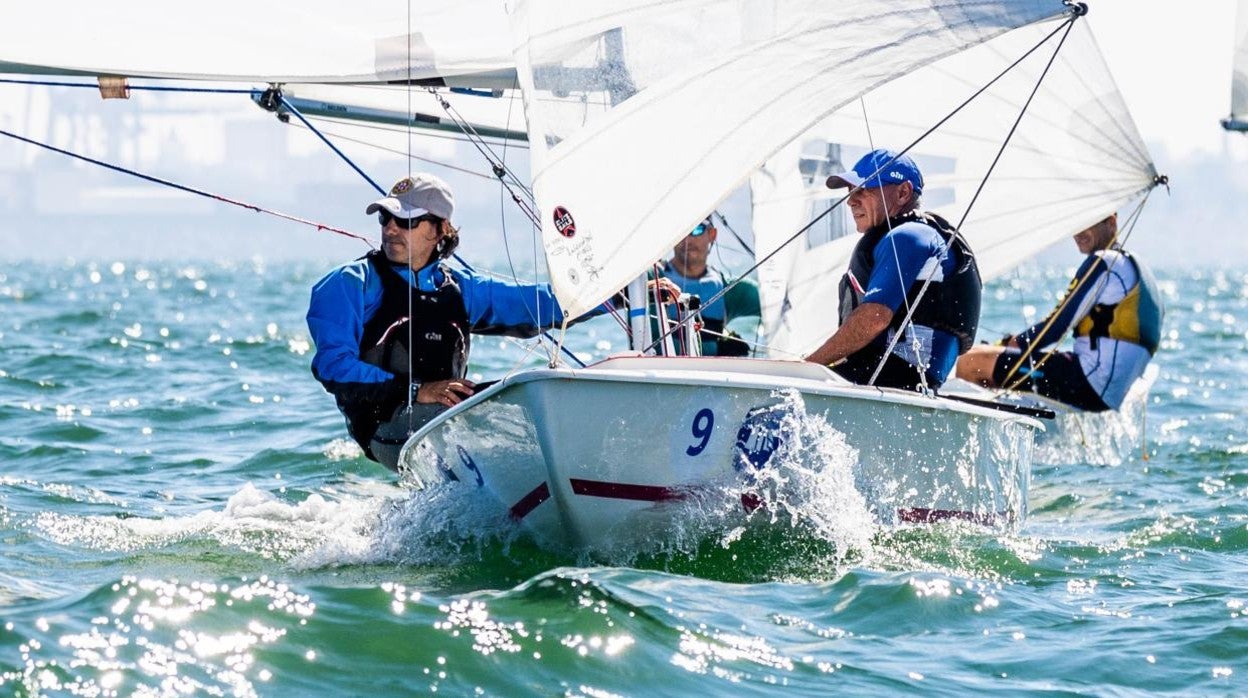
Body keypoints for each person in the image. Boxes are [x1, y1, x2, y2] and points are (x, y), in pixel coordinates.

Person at [307, 173, 645, 470]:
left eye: (406, 221)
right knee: (506, 423)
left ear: (440, 229)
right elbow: (333, 365)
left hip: (448, 418)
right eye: (385, 218)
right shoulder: (349, 283)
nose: (391, 228)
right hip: (386, 426)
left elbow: (535, 303)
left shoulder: (460, 288)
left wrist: (620, 295)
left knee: (548, 401)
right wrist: (415, 392)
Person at [802, 148, 981, 391]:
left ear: (903, 192)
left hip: (895, 378)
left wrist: (808, 365)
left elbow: (875, 318)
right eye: (850, 191)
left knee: (787, 388)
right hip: (901, 380)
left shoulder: (908, 237)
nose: (851, 200)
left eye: (863, 189)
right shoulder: (916, 235)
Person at [955, 214, 1162, 411]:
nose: (1078, 233)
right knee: (995, 359)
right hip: (1111, 388)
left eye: (1087, 223)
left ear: (1112, 222)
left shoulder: (1104, 262)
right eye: (1076, 224)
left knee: (971, 361)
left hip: (1087, 383)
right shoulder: (1136, 266)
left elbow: (1057, 327)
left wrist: (1012, 344)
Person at [655, 216, 761, 356]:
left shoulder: (728, 290)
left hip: (708, 375)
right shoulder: (649, 279)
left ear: (712, 234)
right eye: (680, 231)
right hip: (654, 374)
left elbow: (783, 303)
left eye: (697, 229)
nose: (687, 239)